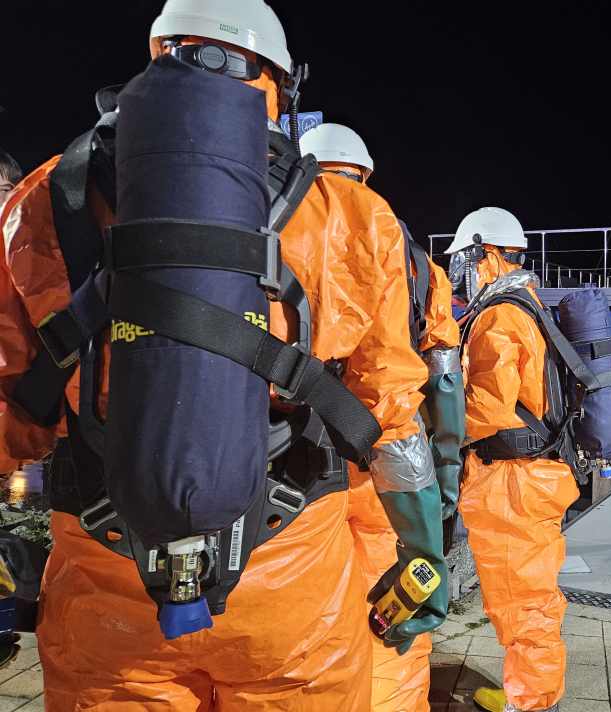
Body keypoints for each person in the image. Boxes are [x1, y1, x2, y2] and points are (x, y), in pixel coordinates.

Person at [0, 1, 443, 708]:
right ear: (274, 80)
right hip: (293, 575)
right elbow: (392, 413)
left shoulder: (47, 199)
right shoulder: (349, 216)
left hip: (105, 586)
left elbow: (14, 412)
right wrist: (424, 552)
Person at [301, 122, 463, 712]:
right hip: (387, 476)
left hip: (291, 478)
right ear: (365, 172)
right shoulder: (422, 267)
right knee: (390, 623)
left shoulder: (273, 226)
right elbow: (443, 389)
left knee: (306, 633)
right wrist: (439, 500)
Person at [447, 207, 579, 712]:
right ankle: (529, 692)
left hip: (513, 482)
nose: (460, 272)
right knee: (526, 595)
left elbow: (487, 405)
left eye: (464, 260)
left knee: (523, 601)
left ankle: (531, 703)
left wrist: (427, 425)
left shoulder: (499, 314)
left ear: (486, 254)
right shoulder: (526, 303)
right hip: (532, 477)